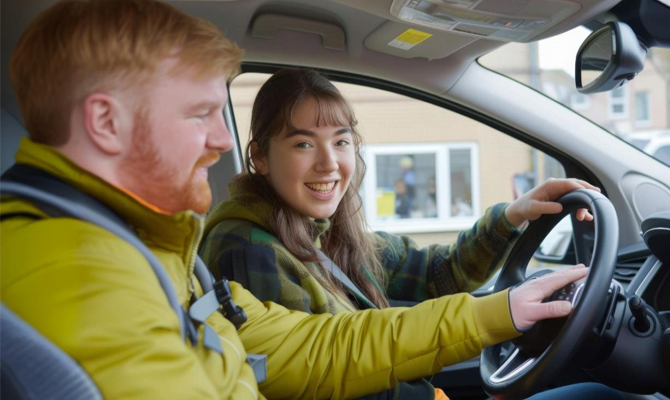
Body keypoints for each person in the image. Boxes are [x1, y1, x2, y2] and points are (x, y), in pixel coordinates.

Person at [0, 1, 598, 400]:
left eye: (340, 141)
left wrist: (503, 311)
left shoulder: (158, 254)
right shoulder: (79, 273)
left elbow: (316, 346)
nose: (217, 143)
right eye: (199, 114)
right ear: (106, 123)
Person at [200, 69, 621, 400]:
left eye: (341, 141)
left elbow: (440, 272)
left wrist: (514, 215)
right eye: (303, 145)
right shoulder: (248, 250)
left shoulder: (326, 232)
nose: (329, 164)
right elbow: (320, 374)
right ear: (261, 156)